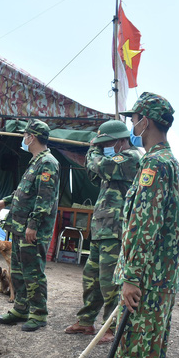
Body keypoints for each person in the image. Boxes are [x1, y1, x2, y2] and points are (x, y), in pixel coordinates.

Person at [98, 93, 179, 358]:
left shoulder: (154, 166)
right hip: (161, 284)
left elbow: (143, 227)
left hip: (144, 286)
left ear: (145, 121)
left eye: (134, 118)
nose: (133, 124)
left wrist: (130, 278)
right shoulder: (172, 165)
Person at [65, 120, 141, 344]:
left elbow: (98, 165)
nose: (103, 147)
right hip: (102, 229)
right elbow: (94, 174)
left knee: (110, 283)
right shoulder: (113, 159)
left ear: (119, 141)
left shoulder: (131, 157)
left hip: (115, 230)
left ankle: (112, 326)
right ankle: (86, 321)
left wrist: (92, 148)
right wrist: (97, 151)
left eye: (106, 143)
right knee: (92, 280)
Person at [0, 119, 59, 332]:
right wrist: (6, 201)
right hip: (20, 228)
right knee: (19, 270)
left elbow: (44, 198)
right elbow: (24, 192)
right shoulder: (35, 161)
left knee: (33, 272)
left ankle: (39, 314)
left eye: (25, 135)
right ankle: (21, 308)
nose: (23, 139)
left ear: (33, 137)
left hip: (32, 231)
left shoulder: (48, 162)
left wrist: (33, 225)